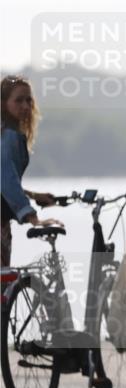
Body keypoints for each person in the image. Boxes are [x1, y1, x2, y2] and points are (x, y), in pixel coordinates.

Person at [1, 75, 62, 268]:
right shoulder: (6, 137)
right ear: (3, 104)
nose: (26, 106)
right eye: (18, 100)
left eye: (29, 100)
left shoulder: (10, 133)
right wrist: (32, 217)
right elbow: (6, 178)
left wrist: (34, 195)